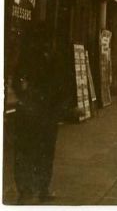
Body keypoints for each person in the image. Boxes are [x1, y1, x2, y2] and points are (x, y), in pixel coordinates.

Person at [12, 23, 62, 203]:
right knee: (42, 153)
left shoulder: (28, 56)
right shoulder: (47, 57)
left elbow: (17, 83)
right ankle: (37, 189)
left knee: (28, 152)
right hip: (41, 115)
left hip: (33, 114)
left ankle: (29, 190)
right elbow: (57, 87)